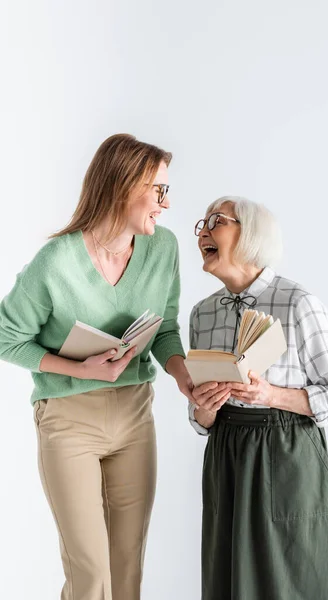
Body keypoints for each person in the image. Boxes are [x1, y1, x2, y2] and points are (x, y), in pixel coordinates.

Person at [0, 133, 191, 600]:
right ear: (124, 185)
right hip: (68, 419)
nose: (165, 204)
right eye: (158, 190)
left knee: (127, 573)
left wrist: (185, 376)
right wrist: (82, 369)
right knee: (92, 577)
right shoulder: (56, 261)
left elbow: (165, 327)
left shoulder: (163, 248)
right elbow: (7, 337)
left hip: (133, 417)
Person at [189, 196, 328, 600]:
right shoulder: (202, 313)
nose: (203, 232)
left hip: (286, 450)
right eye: (202, 223)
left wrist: (270, 394)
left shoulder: (298, 303)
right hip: (226, 450)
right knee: (226, 573)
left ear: (250, 235)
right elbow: (198, 419)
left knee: (291, 572)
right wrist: (205, 411)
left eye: (217, 221)